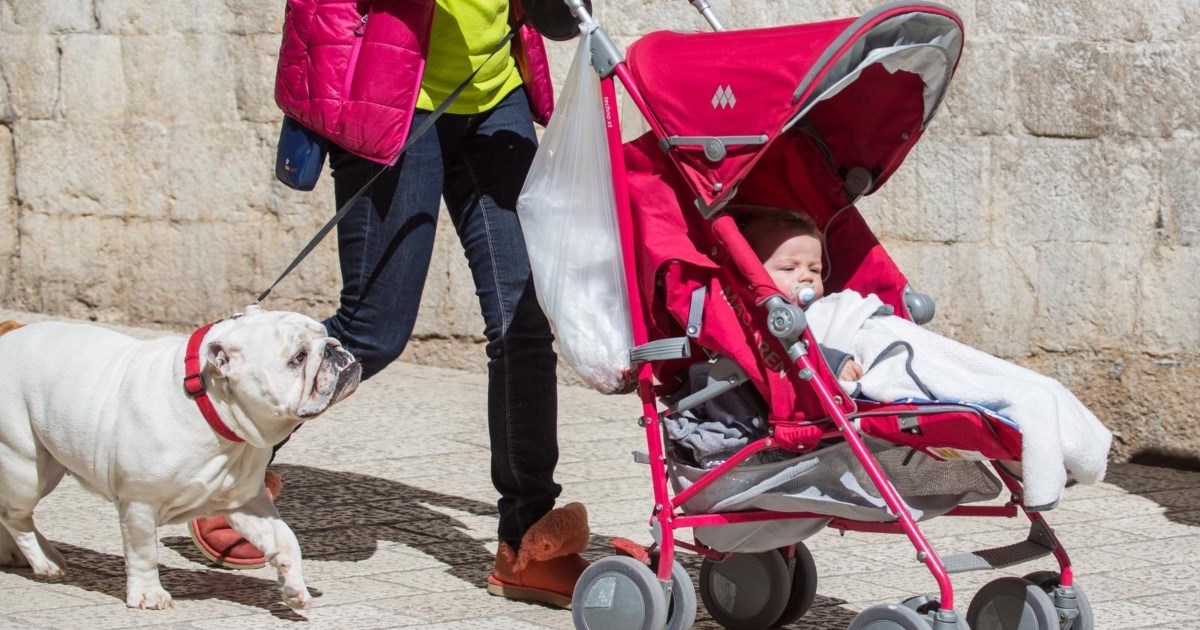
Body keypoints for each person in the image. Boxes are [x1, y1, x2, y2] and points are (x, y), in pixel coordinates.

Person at [188, 0, 589, 608]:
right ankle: (220, 471)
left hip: (494, 91)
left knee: (522, 323)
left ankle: (526, 540)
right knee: (372, 330)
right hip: (395, 91)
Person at [738, 210, 1112, 510]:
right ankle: (1040, 441)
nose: (805, 277)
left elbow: (862, 324)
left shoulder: (832, 307)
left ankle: (1054, 430)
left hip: (889, 340)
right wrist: (834, 365)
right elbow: (799, 353)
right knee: (999, 396)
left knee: (1012, 380)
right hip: (884, 367)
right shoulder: (772, 324)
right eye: (789, 269)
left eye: (815, 270)